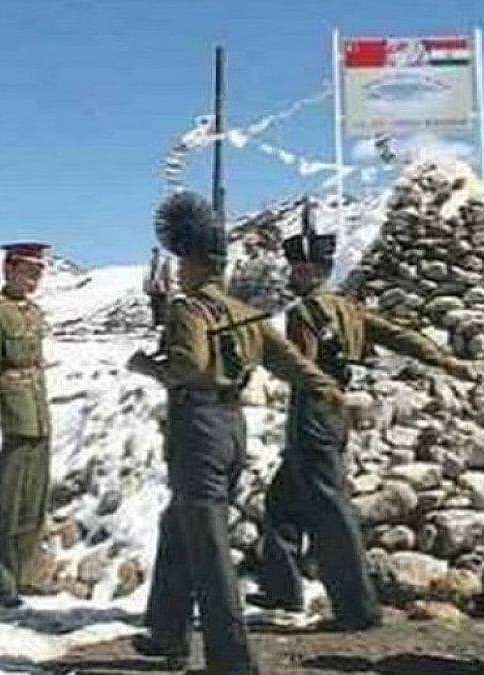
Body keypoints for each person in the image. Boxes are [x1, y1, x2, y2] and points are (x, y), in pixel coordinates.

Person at [128, 191, 346, 675]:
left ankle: (231, 659)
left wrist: (147, 366)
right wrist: (327, 388)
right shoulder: (243, 312)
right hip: (232, 431)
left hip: (198, 428)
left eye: (182, 263)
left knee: (207, 545)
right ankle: (167, 633)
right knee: (178, 527)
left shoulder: (189, 310)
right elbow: (290, 362)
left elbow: (188, 367)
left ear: (195, 264)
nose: (178, 271)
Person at [247, 205, 473, 631]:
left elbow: (302, 366)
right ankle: (282, 589)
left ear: (310, 270)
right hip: (335, 414)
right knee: (281, 502)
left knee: (330, 511)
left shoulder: (302, 313)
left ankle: (357, 608)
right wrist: (444, 360)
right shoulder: (349, 310)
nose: (291, 275)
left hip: (311, 412)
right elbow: (400, 336)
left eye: (296, 268)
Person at [0, 243, 53, 609]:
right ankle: (2, 580)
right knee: (5, 502)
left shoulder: (33, 312)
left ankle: (28, 573)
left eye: (39, 271)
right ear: (10, 269)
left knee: (33, 501)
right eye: (29, 271)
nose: (35, 278)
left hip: (36, 414)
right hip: (9, 416)